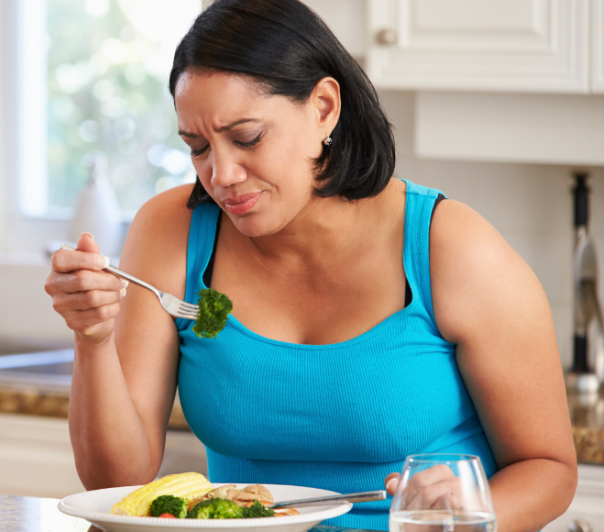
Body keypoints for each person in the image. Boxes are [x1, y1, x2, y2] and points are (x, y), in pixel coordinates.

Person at [43, 0, 577, 530]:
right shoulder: (173, 231)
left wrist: (468, 517)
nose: (221, 174)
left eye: (247, 137)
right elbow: (117, 480)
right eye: (198, 146)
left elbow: (549, 469)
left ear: (323, 107)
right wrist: (93, 338)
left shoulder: (450, 248)